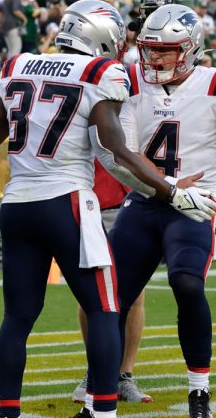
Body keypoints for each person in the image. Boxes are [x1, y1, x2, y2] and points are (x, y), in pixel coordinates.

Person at [0, 0, 216, 418]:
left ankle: (8, 412)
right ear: (102, 37)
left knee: (17, 317)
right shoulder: (99, 73)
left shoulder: (18, 65)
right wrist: (170, 191)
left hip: (16, 206)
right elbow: (114, 153)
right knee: (105, 308)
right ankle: (102, 411)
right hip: (67, 203)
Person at [94, 4, 216, 418]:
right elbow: (124, 151)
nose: (154, 58)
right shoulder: (131, 79)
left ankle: (199, 391)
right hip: (146, 199)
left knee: (187, 285)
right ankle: (100, 393)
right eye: (149, 48)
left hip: (197, 204)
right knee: (112, 299)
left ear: (191, 49)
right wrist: (166, 187)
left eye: (165, 50)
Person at [72, 160, 152, 404]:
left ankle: (124, 375)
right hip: (90, 206)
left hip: (133, 205)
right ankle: (95, 372)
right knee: (92, 295)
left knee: (135, 295)